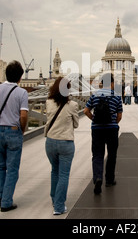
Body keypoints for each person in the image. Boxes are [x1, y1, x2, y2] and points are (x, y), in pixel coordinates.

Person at [0, 60, 29, 212]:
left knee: (0, 166)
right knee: (12, 169)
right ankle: (6, 202)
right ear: (19, 78)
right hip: (13, 131)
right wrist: (21, 129)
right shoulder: (21, 92)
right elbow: (23, 115)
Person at [83, 73, 123, 195]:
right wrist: (113, 123)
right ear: (111, 83)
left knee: (97, 155)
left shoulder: (94, 95)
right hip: (111, 129)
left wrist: (94, 119)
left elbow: (86, 111)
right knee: (112, 155)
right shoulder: (116, 96)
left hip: (97, 129)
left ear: (101, 83)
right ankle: (109, 180)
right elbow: (119, 115)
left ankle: (98, 178)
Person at [45, 77, 79, 215]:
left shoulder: (48, 102)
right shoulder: (73, 105)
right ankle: (59, 207)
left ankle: (54, 199)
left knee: (55, 171)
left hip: (51, 142)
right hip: (66, 142)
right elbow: (76, 124)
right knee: (64, 174)